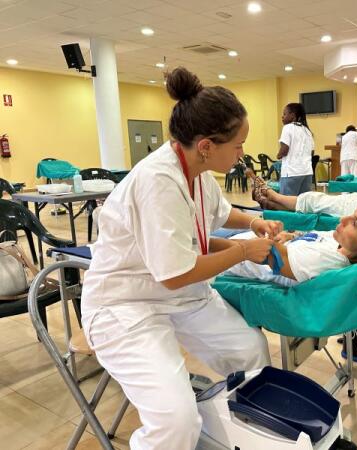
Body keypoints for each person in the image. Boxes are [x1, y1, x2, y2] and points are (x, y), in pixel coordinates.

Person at [81, 67, 283, 450]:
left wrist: (255, 221)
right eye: (238, 145)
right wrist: (242, 250)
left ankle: (238, 432)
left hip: (183, 298)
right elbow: (175, 274)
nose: (243, 155)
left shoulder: (199, 168)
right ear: (207, 145)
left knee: (251, 353)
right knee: (176, 419)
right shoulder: (158, 181)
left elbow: (219, 214)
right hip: (126, 306)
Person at [225, 202, 357, 286]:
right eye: (352, 214)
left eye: (355, 223)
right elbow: (308, 236)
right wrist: (290, 236)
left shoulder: (326, 262)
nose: (343, 219)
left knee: (203, 223)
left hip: (229, 260)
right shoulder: (338, 242)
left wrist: (208, 245)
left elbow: (268, 254)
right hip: (241, 240)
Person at [277, 103, 314, 195]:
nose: (282, 117)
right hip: (307, 173)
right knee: (302, 204)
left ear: (293, 116)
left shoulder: (287, 128)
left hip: (291, 173)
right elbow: (312, 152)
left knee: (286, 204)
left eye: (285, 114)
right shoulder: (307, 131)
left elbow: (284, 150)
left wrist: (278, 155)